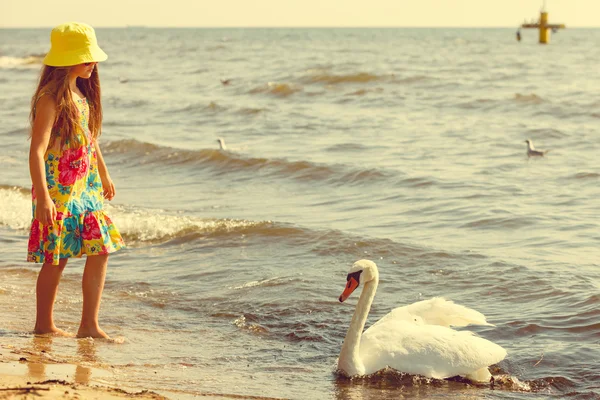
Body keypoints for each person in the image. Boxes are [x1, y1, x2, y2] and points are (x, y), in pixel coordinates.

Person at [27, 22, 125, 339]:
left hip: (86, 189)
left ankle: (88, 325)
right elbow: (37, 151)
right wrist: (43, 197)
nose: (92, 64)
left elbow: (89, 139)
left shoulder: (79, 94)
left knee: (101, 248)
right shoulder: (49, 99)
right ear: (69, 60)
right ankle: (44, 325)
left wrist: (104, 173)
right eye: (87, 59)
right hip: (58, 192)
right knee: (58, 258)